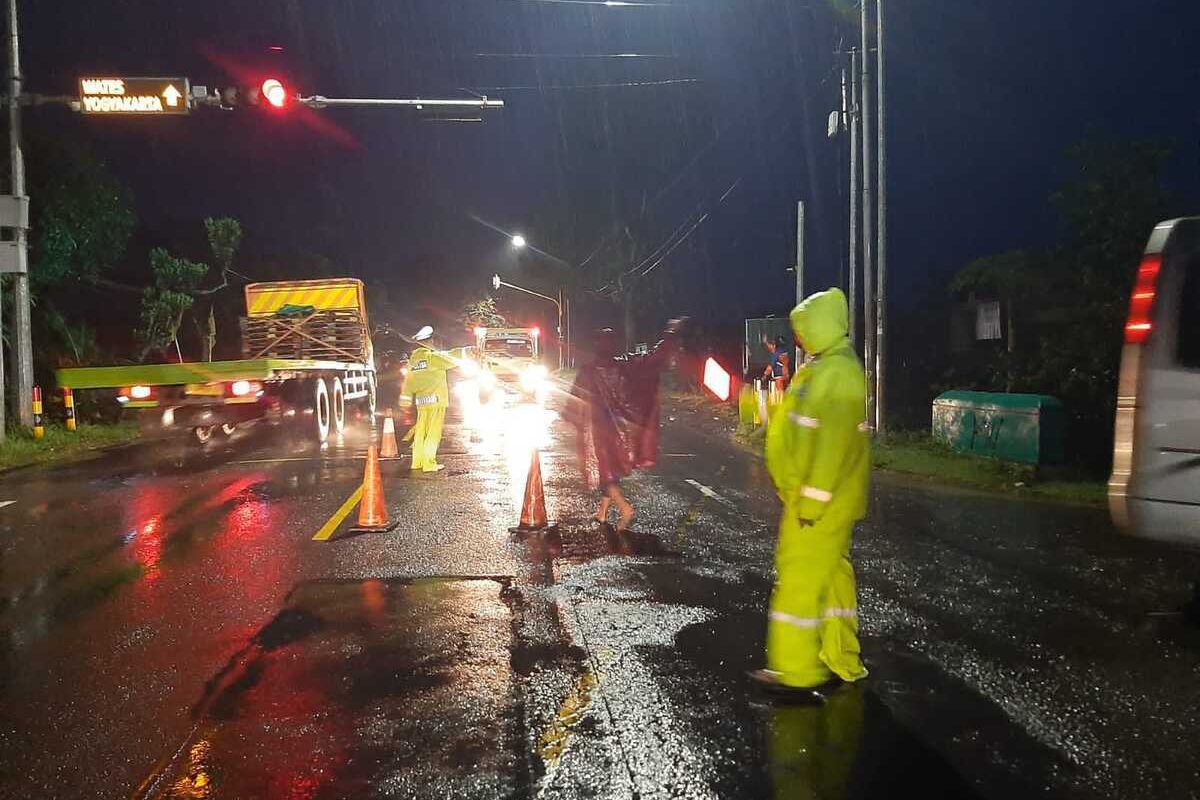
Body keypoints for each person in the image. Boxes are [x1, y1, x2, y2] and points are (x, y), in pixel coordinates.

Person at [750, 288, 870, 701]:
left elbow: (833, 445)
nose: (797, 338)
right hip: (812, 497)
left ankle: (796, 671)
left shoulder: (838, 372)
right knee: (834, 578)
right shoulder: (824, 367)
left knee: (798, 578)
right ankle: (842, 660)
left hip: (817, 502)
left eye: (802, 330)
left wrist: (811, 503)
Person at [567, 319, 686, 530]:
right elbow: (652, 359)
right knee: (609, 471)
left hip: (600, 432)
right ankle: (602, 512)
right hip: (620, 431)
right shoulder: (624, 366)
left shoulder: (588, 370)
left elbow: (575, 401)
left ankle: (625, 509)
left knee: (605, 474)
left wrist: (571, 417)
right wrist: (669, 333)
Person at [402, 328, 465, 474]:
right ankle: (429, 463)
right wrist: (470, 351)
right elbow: (451, 356)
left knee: (421, 432)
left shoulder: (413, 362)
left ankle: (417, 462)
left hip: (421, 402)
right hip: (436, 401)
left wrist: (405, 401)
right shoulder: (431, 358)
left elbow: (408, 383)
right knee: (433, 433)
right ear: (428, 342)